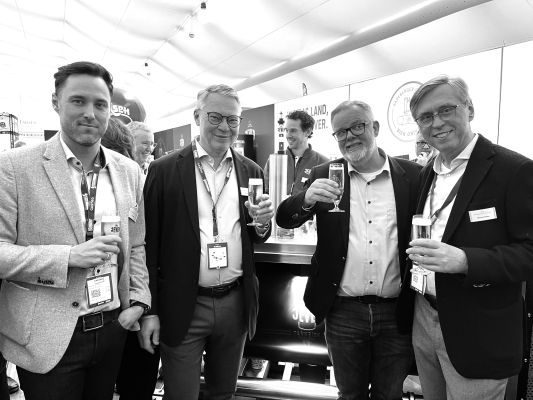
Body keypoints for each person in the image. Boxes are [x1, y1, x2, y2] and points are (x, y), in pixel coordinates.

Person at [0, 61, 151, 400]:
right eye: (78, 101)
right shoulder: (14, 167)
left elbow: (137, 243)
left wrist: (139, 300)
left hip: (111, 328)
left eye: (100, 104)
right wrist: (68, 257)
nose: (90, 113)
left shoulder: (128, 171)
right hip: (46, 336)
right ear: (56, 102)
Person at [277, 100, 421, 399]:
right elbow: (285, 219)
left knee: (389, 394)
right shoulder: (325, 173)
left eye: (357, 127)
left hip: (396, 311)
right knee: (349, 394)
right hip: (343, 310)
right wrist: (306, 199)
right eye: (340, 132)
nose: (349, 137)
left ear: (375, 128)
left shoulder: (412, 176)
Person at [141, 84, 275, 400]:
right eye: (215, 117)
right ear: (197, 116)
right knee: (181, 395)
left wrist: (263, 222)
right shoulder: (164, 170)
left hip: (235, 303)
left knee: (224, 394)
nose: (224, 127)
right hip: (183, 304)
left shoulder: (251, 170)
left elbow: (256, 234)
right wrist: (150, 310)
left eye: (233, 119)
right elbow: (147, 247)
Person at [405, 75, 533, 399]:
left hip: (478, 329)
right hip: (424, 315)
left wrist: (465, 260)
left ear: (470, 109)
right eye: (425, 117)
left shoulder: (513, 169)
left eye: (446, 110)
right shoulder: (427, 172)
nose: (437, 123)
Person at [105, 120, 160, 400]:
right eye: (143, 144)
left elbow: (145, 249)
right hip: (95, 317)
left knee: (137, 385)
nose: (147, 149)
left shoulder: (145, 181)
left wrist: (145, 308)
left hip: (136, 310)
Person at [264, 110, 328, 195]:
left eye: (293, 131)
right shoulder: (274, 160)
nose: (288, 135)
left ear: (308, 132)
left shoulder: (322, 162)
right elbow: (265, 192)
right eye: (286, 130)